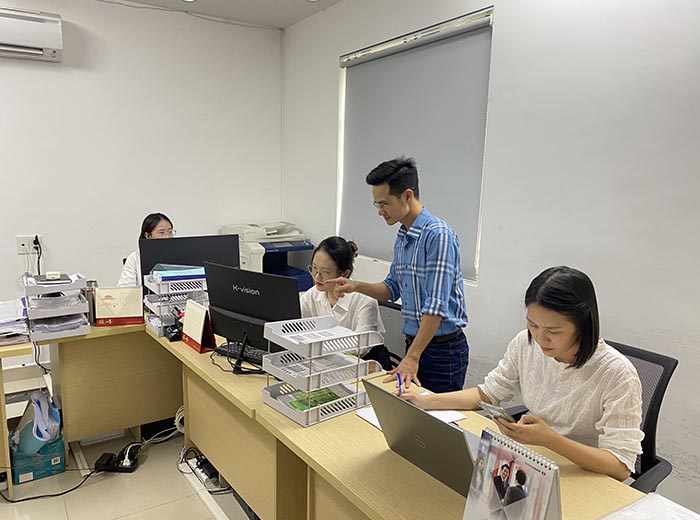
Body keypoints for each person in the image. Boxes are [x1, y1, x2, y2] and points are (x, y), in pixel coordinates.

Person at [399, 266, 644, 481]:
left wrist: (550, 440)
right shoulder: (525, 344)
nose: (540, 338)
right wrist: (426, 401)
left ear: (583, 324)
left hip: (586, 477)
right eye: (532, 325)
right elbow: (487, 393)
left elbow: (620, 467)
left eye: (553, 331)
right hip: (534, 464)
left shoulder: (617, 373)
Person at [330, 156, 469, 393]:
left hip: (442, 352)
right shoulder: (404, 235)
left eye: (384, 204)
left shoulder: (438, 236)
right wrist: (354, 286)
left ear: (407, 195)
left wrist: (412, 357)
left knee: (434, 414)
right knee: (408, 410)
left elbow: (436, 306)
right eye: (376, 204)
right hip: (415, 345)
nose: (380, 211)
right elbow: (391, 288)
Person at [300, 236, 388, 367]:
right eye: (314, 268)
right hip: (325, 364)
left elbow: (360, 347)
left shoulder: (365, 300)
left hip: (364, 367)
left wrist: (319, 343)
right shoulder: (312, 294)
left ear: (344, 274)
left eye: (325, 272)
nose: (317, 277)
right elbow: (296, 327)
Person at [118, 213, 174, 286]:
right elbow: (125, 288)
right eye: (161, 232)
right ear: (148, 236)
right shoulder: (134, 258)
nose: (167, 237)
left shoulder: (179, 255)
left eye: (170, 232)